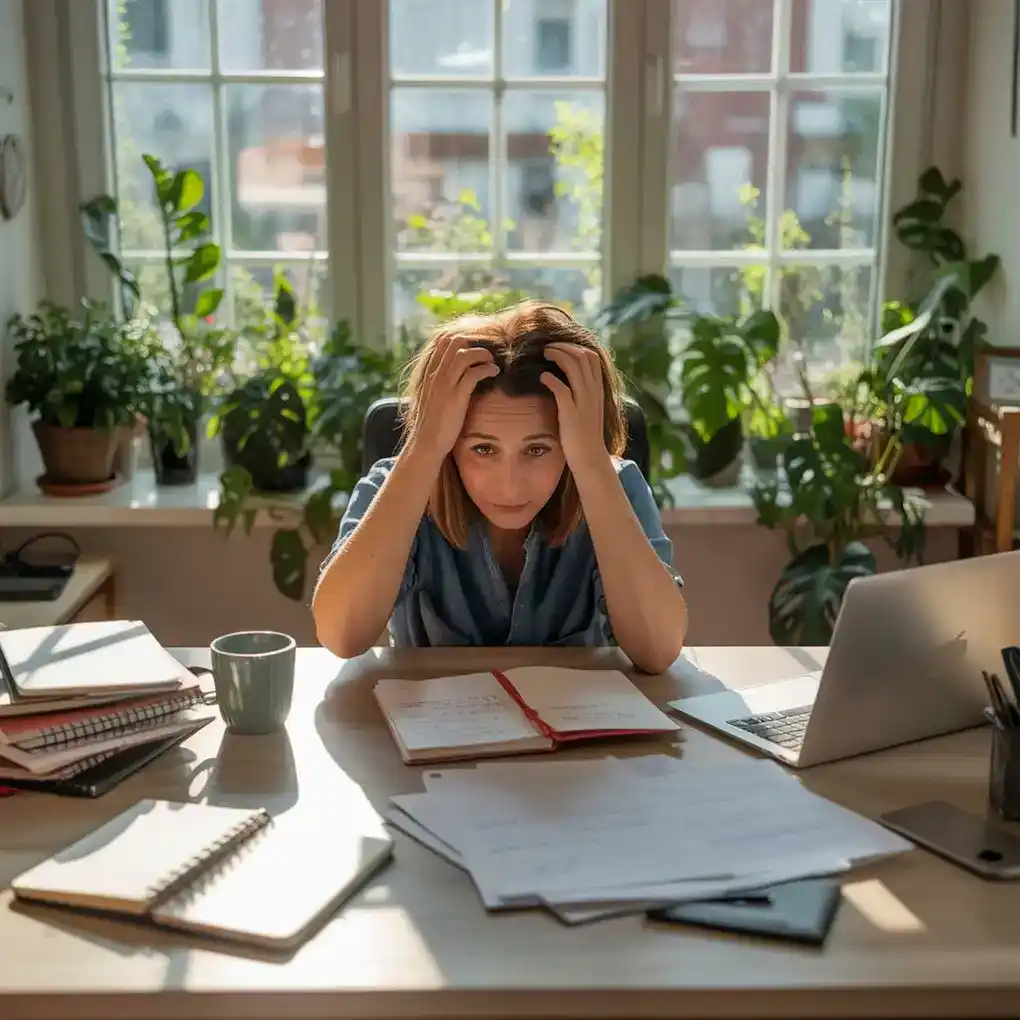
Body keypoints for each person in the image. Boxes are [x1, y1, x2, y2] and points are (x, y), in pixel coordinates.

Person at [312, 301, 687, 673]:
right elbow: (342, 637)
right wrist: (425, 446)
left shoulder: (615, 483)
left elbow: (657, 650)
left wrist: (591, 458)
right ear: (450, 442)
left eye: (538, 449)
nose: (510, 486)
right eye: (483, 448)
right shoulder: (395, 482)